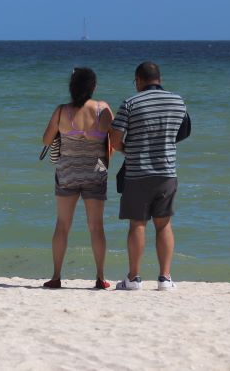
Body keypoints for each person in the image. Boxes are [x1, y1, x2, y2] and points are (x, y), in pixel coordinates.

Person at [110, 61, 190, 291]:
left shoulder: (130, 103)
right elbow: (183, 132)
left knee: (137, 225)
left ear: (138, 80)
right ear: (160, 79)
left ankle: (133, 278)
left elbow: (114, 139)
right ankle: (165, 278)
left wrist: (128, 149)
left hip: (137, 172)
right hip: (167, 171)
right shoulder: (178, 101)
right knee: (164, 225)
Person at [40, 67, 113, 289]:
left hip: (67, 172)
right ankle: (100, 277)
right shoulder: (103, 109)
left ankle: (56, 276)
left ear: (71, 87)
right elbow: (113, 142)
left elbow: (46, 140)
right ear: (94, 87)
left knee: (62, 225)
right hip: (95, 173)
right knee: (96, 226)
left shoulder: (61, 111)